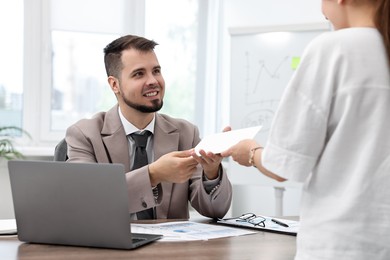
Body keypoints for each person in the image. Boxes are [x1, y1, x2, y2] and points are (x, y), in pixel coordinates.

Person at [221, 0, 390, 259]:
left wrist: (251, 152)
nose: (322, 10)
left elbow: (282, 166)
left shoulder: (333, 49)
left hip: (339, 244)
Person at [65, 34, 232, 220]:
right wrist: (153, 174)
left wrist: (211, 173)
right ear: (114, 85)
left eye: (156, 71)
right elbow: (86, 200)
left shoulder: (186, 133)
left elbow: (215, 211)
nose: (153, 81)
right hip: (111, 246)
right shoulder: (85, 135)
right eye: (139, 74)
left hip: (170, 248)